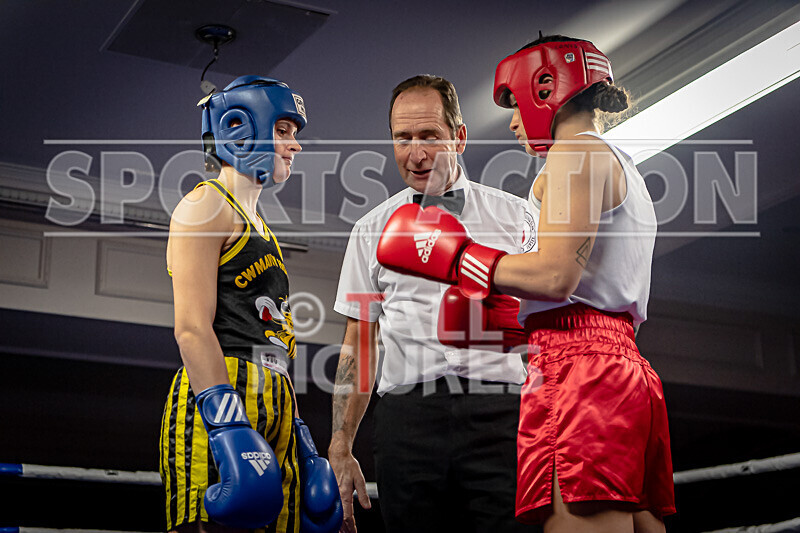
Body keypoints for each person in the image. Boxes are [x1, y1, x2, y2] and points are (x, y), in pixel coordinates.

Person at [376, 37, 676, 532]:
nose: (514, 122)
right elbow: (593, 293)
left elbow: (557, 276)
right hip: (619, 365)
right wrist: (514, 323)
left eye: (515, 106)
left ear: (545, 89)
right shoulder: (621, 163)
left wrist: (459, 258)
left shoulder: (573, 154)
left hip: (580, 371)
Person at [328, 74, 538, 533]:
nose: (415, 153)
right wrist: (341, 443)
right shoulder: (370, 229)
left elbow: (551, 320)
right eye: (402, 138)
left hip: (502, 412)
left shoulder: (520, 216)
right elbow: (360, 341)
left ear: (459, 137)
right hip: (408, 417)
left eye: (429, 137)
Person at [159, 76, 341, 533]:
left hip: (275, 398)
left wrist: (302, 437)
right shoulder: (205, 205)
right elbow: (191, 328)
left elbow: (274, 339)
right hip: (221, 394)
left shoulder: (264, 228)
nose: (295, 146)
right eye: (283, 130)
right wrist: (227, 425)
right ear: (241, 128)